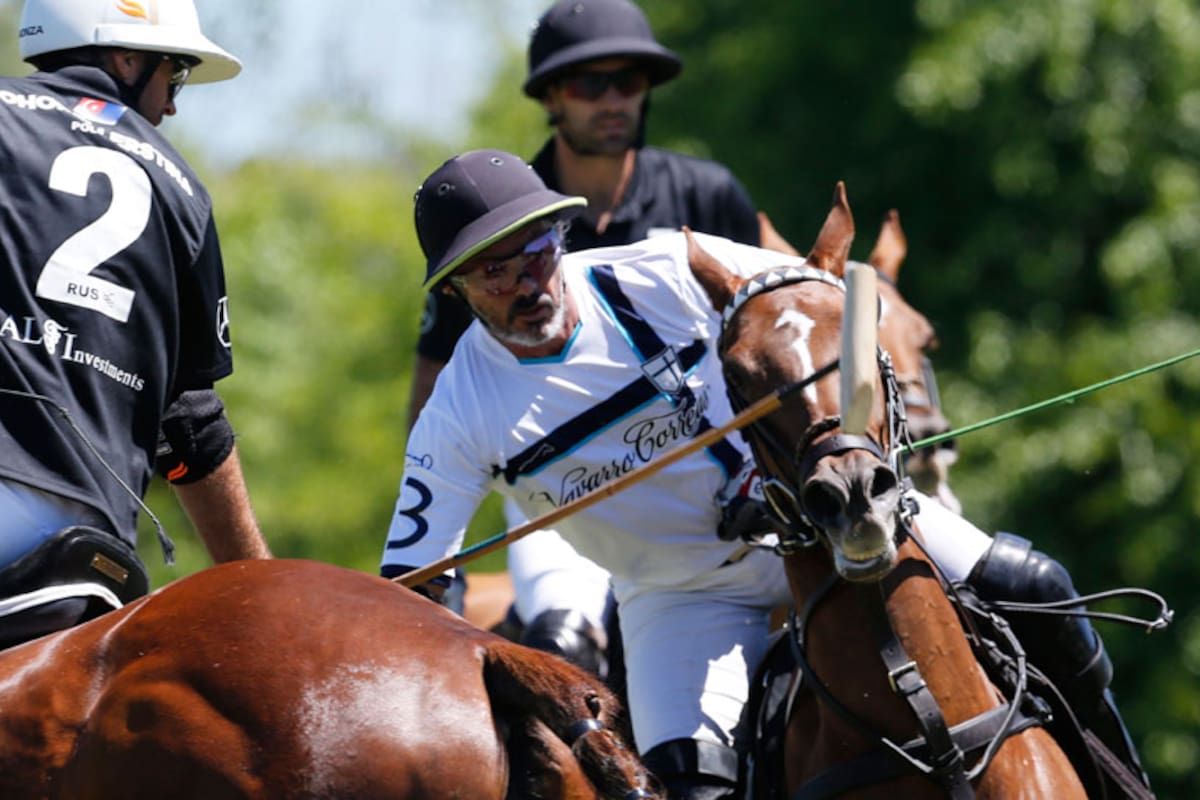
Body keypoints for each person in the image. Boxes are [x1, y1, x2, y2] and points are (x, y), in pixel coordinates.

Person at [390, 149, 1128, 797]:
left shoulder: (661, 270)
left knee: (1038, 589)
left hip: (826, 520)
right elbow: (413, 589)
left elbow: (837, 300)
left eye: (540, 250)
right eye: (496, 271)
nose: (531, 283)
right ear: (453, 289)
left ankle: (1126, 785)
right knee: (692, 784)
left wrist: (847, 443)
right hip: (684, 598)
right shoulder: (457, 415)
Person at [409, 0, 763, 684]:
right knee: (563, 641)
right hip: (561, 493)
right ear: (550, 97)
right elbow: (433, 400)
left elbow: (774, 328)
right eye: (587, 84)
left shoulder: (709, 195)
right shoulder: (488, 220)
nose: (611, 101)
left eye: (627, 82)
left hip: (717, 468)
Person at [0, 0, 271, 649]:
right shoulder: (186, 196)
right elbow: (190, 427)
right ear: (125, 58)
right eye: (173, 76)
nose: (171, 106)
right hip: (96, 565)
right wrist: (264, 593)